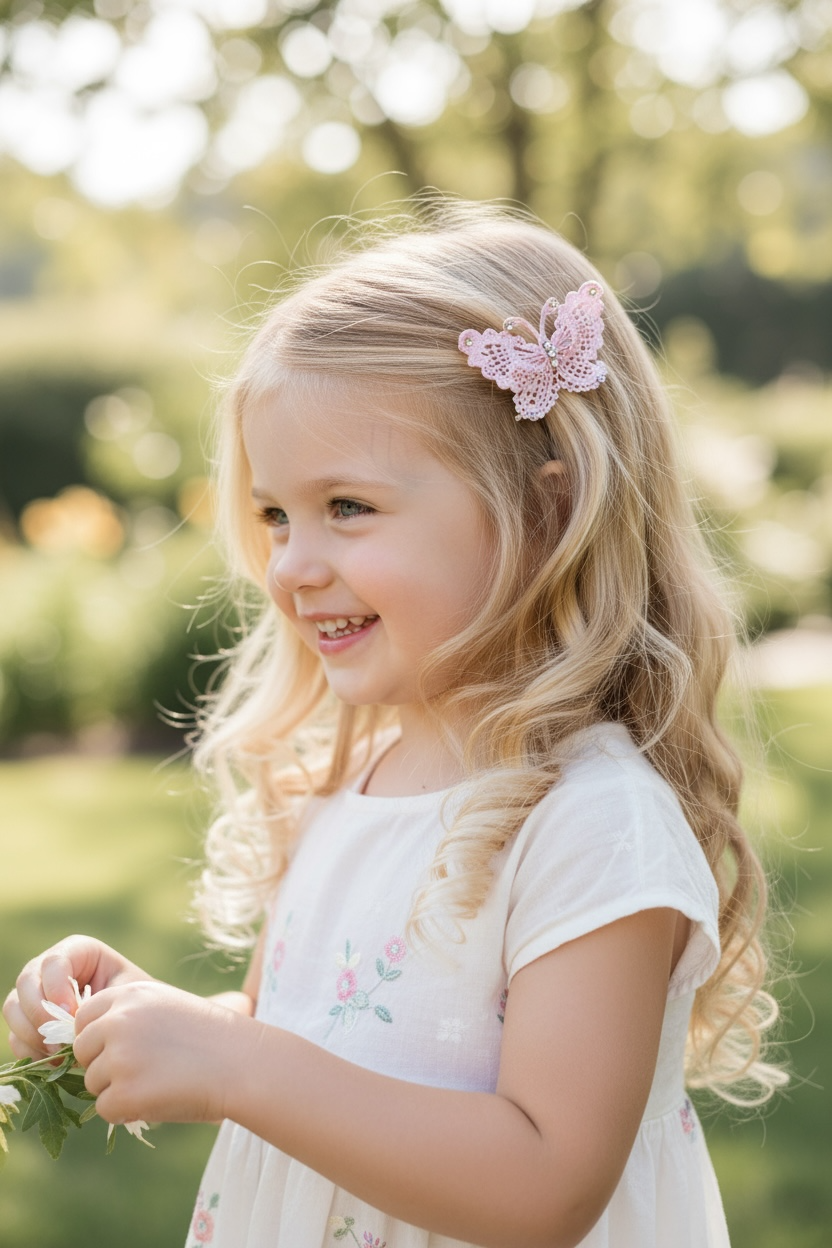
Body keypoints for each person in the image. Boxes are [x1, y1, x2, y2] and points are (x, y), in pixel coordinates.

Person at [3, 201, 785, 1248]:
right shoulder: (347, 779)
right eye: (277, 515)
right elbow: (319, 1045)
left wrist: (239, 1066)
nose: (291, 564)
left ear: (544, 511)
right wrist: (163, 1027)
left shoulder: (595, 825)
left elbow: (546, 1183)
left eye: (348, 508)